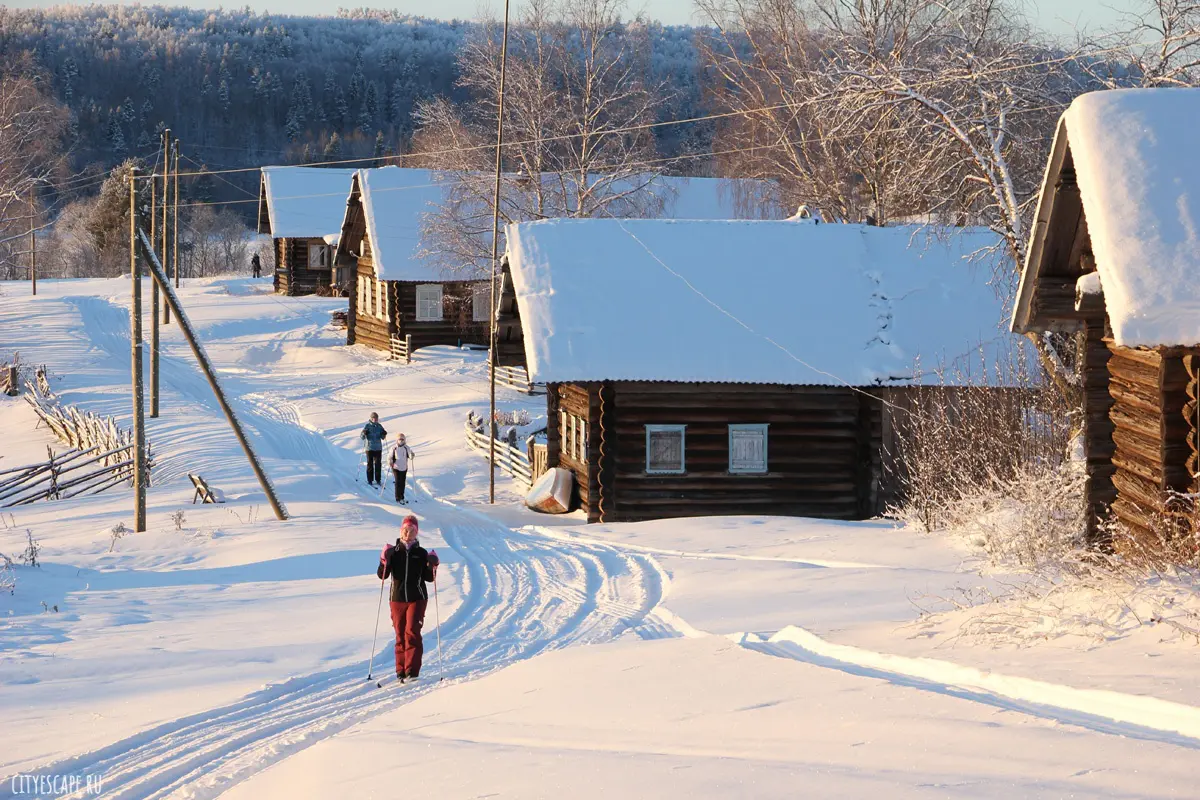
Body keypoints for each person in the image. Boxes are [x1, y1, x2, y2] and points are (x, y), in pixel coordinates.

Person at [376, 516, 439, 681]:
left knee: (411, 632)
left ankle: (412, 672)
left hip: (417, 598)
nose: (408, 532)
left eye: (412, 529)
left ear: (416, 533)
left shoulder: (421, 553)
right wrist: (384, 561)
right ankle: (400, 671)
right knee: (399, 634)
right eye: (405, 528)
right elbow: (383, 575)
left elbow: (429, 578)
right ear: (400, 530)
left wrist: (433, 565)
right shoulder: (393, 552)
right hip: (396, 598)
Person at [360, 413, 387, 486]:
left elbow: (382, 437)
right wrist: (364, 433)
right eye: (374, 418)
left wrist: (384, 433)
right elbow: (362, 437)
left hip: (378, 448)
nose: (375, 419)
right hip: (369, 448)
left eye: (376, 418)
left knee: (378, 464)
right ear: (371, 419)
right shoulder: (367, 426)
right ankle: (370, 480)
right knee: (370, 464)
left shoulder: (379, 426)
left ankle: (378, 480)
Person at [388, 433, 414, 504]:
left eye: (402, 439)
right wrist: (390, 461)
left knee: (402, 483)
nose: (401, 441)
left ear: (404, 440)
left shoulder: (406, 447)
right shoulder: (394, 448)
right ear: (397, 440)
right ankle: (397, 498)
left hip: (404, 467)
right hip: (396, 467)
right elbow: (389, 456)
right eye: (400, 439)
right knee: (397, 482)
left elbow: (410, 456)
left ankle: (402, 497)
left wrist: (412, 455)